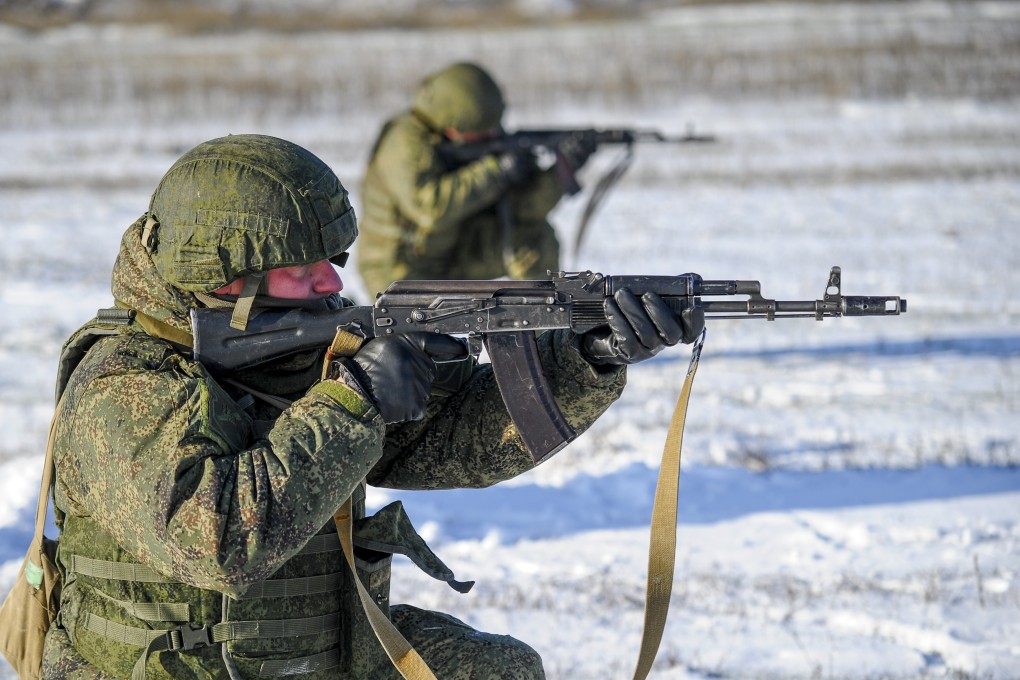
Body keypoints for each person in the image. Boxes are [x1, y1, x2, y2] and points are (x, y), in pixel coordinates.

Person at [40, 133, 702, 679]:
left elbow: (449, 443)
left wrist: (584, 357)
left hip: (319, 641)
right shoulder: (122, 383)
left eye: (333, 259)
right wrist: (353, 403)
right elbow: (217, 544)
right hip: (170, 666)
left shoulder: (300, 337)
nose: (332, 281)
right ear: (225, 278)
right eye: (304, 269)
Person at [356, 62, 596, 297]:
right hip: (401, 268)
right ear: (453, 126)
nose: (491, 135)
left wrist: (559, 173)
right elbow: (429, 209)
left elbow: (524, 209)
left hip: (457, 252)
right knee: (419, 337)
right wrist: (494, 171)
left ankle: (544, 328)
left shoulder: (482, 141)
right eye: (481, 132)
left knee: (534, 238)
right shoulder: (404, 142)